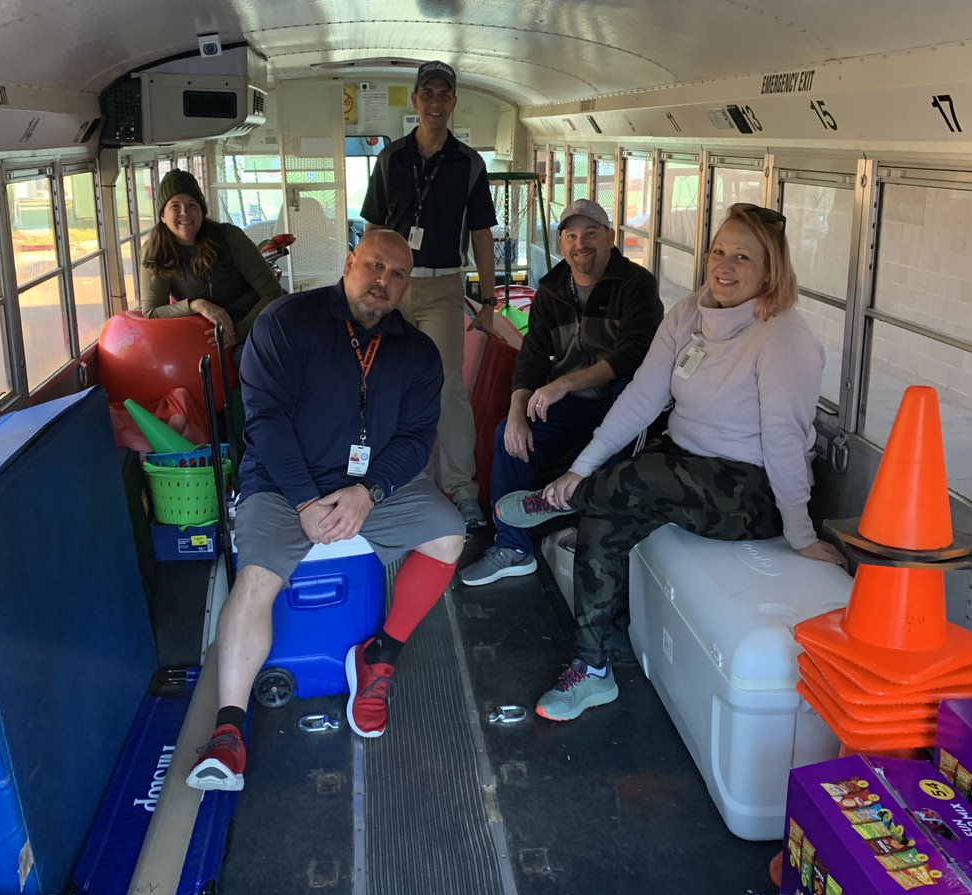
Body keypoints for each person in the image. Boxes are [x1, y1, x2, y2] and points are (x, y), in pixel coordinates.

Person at [495, 203, 846, 722]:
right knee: (606, 517)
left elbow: (785, 442)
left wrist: (800, 535)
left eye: (742, 257)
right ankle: (592, 671)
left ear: (770, 270)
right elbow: (640, 398)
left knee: (640, 477)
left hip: (750, 491)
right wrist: (581, 467)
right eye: (718, 251)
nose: (724, 266)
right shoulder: (688, 315)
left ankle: (555, 500)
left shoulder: (784, 338)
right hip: (677, 469)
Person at [185, 230, 466, 791]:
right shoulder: (287, 323)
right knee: (258, 578)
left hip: (370, 488)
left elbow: (415, 439)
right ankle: (229, 732)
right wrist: (306, 502)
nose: (384, 281)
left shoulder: (416, 352)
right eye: (374, 266)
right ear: (349, 263)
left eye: (398, 275)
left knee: (449, 532)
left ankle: (378, 658)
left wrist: (371, 493)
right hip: (283, 484)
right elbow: (265, 419)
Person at [460, 199, 664, 586]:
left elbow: (632, 354)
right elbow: (532, 358)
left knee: (621, 433)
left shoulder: (636, 285)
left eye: (590, 233)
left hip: (626, 401)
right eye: (571, 235)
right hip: (572, 404)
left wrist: (564, 382)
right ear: (560, 242)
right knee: (508, 434)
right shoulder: (552, 290)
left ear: (610, 237)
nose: (580, 242)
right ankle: (514, 546)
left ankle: (573, 511)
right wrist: (518, 411)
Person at [360, 60, 499, 529]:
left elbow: (481, 233)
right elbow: (374, 228)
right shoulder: (391, 158)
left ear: (453, 102)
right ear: (415, 100)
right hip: (391, 284)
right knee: (381, 378)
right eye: (428, 93)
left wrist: (489, 299)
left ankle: (462, 489)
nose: (436, 102)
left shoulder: (469, 163)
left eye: (444, 94)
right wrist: (366, 282)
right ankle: (385, 480)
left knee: (447, 386)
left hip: (442, 285)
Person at [139, 169, 284, 347]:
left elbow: (272, 293)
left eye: (192, 204)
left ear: (202, 211)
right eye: (175, 206)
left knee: (242, 361)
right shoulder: (155, 252)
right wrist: (196, 305)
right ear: (162, 215)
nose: (185, 212)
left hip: (254, 326)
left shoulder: (230, 237)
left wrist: (237, 334)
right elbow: (152, 312)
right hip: (203, 337)